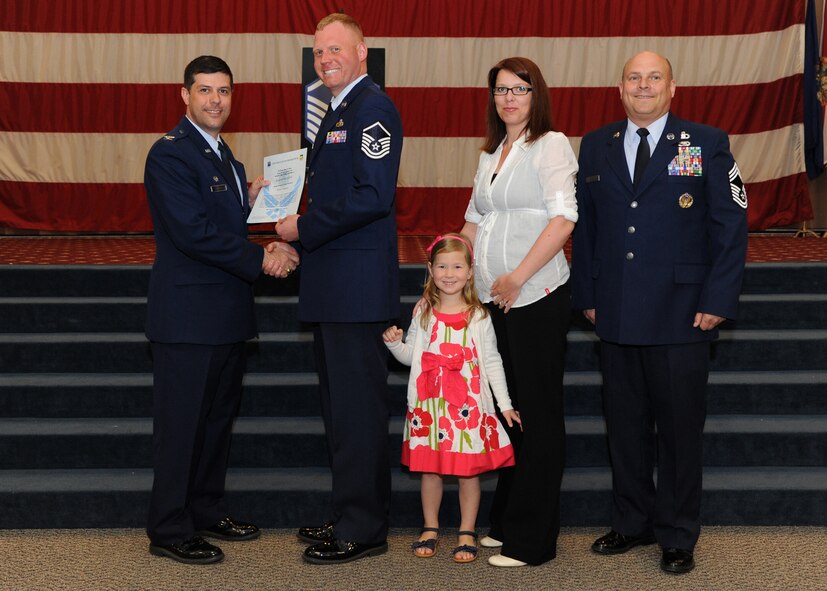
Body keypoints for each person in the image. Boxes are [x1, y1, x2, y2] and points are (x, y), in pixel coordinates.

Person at [571, 51, 748, 575]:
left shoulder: (707, 143)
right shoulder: (596, 145)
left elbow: (730, 224)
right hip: (617, 310)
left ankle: (676, 533)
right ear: (619, 87)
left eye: (654, 78)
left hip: (681, 312)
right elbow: (587, 229)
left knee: (677, 431)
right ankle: (632, 521)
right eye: (633, 78)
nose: (643, 86)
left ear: (674, 87)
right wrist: (587, 294)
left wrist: (718, 298)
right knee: (623, 427)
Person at [144, 55, 299, 565]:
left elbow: (222, 224)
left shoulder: (224, 157)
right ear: (183, 95)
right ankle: (169, 527)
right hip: (188, 320)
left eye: (224, 91)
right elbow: (193, 234)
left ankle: (206, 511)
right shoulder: (170, 154)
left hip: (227, 316)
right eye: (205, 90)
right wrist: (264, 257)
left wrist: (251, 200)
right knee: (182, 427)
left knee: (214, 425)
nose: (216, 100)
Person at [274, 13, 403, 565]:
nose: (326, 59)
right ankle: (350, 511)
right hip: (334, 285)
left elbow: (373, 196)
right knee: (341, 411)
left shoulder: (372, 108)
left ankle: (364, 527)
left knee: (357, 413)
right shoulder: (338, 109)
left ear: (362, 51)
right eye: (319, 51)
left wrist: (302, 227)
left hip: (354, 288)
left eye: (336, 49)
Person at [459, 57, 578, 568]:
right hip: (494, 301)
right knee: (507, 413)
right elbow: (471, 224)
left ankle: (533, 542)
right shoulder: (493, 152)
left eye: (520, 89)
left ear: (537, 95)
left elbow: (564, 219)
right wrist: (449, 279)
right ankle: (506, 522)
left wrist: (518, 276)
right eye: (501, 90)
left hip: (535, 299)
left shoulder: (550, 144)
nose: (509, 98)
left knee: (537, 415)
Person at [383, 234, 521, 563]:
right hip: (430, 408)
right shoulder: (424, 314)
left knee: (467, 472)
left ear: (470, 272)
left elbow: (491, 362)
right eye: (442, 266)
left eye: (457, 266)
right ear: (430, 270)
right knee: (430, 471)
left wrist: (504, 404)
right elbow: (411, 358)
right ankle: (430, 527)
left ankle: (467, 529)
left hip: (467, 409)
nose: (449, 273)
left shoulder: (479, 316)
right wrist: (394, 344)